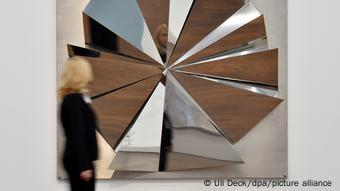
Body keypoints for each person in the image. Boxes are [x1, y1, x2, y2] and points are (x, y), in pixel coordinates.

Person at [59, 56, 98, 191]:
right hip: (79, 161)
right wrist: (84, 166)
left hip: (78, 159)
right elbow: (77, 134)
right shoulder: (74, 100)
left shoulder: (73, 99)